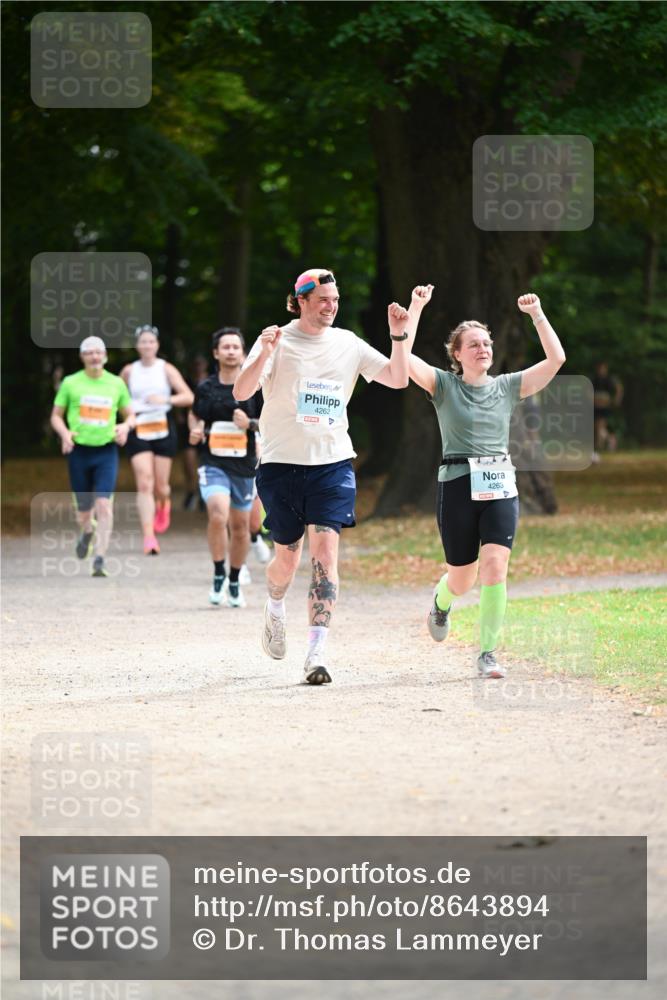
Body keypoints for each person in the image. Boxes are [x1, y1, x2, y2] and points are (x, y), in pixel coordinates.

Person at [233, 268, 432, 685]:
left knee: (325, 555)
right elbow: (240, 391)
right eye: (323, 299)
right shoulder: (276, 339)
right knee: (286, 557)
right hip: (280, 464)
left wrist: (400, 334)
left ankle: (316, 652)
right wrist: (265, 354)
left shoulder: (347, 343)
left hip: (333, 463)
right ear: (300, 299)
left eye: (336, 299)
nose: (331, 306)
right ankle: (274, 606)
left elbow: (397, 379)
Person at [408, 293, 566, 679]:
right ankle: (442, 601)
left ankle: (488, 653)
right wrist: (413, 312)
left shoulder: (509, 386)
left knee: (495, 567)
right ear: (457, 354)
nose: (483, 348)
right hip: (457, 485)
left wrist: (537, 315)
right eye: (474, 344)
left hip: (499, 485)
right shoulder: (443, 385)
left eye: (487, 343)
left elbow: (556, 360)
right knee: (463, 578)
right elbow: (403, 361)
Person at [189, 327, 263, 607]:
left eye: (236, 347)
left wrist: (251, 424)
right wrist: (195, 431)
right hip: (213, 462)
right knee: (218, 514)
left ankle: (234, 579)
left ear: (243, 353)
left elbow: (270, 420)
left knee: (241, 526)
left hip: (244, 465)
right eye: (226, 347)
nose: (231, 351)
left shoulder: (255, 387)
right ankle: (219, 572)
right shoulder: (206, 388)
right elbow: (195, 417)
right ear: (216, 353)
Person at [50, 336, 135, 578]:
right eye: (89, 353)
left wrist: (125, 427)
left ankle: (99, 558)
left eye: (99, 352)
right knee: (84, 512)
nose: (95, 356)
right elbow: (56, 416)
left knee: (104, 505)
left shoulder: (116, 383)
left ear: (105, 355)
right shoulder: (70, 383)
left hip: (106, 451)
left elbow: (131, 415)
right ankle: (87, 531)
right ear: (82, 357)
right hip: (79, 452)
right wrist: (65, 434)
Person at [120, 325, 194, 555]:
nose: (147, 345)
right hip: (138, 427)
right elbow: (117, 399)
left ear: (157, 345)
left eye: (151, 341)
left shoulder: (166, 368)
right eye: (143, 342)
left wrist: (165, 399)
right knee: (144, 482)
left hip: (162, 426)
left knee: (161, 486)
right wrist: (127, 416)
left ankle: (163, 503)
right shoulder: (129, 371)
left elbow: (188, 396)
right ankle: (149, 536)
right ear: (137, 345)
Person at [592, 360, 623, 461]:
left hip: (604, 406)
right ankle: (610, 439)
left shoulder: (609, 379)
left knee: (599, 426)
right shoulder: (595, 379)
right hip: (596, 406)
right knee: (597, 427)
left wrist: (616, 400)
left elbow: (619, 388)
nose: (601, 370)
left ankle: (598, 449)